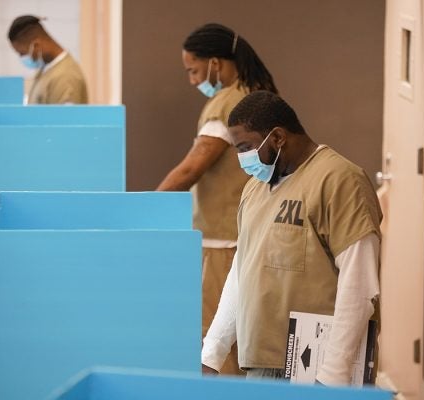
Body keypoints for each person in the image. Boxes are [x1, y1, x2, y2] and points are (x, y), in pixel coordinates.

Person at [201, 90, 382, 385]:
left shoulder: (339, 181)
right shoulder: (255, 189)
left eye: (245, 147)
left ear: (278, 138)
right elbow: (241, 274)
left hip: (319, 367)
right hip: (262, 365)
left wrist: (333, 376)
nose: (241, 159)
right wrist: (212, 353)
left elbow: (359, 285)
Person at [156, 24, 277, 376]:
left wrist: (145, 209)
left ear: (215, 63)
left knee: (217, 341)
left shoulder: (225, 103)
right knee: (240, 337)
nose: (193, 81)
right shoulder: (256, 92)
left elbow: (191, 168)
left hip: (222, 242)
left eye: (194, 70)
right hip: (245, 233)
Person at [8, 15, 88, 104]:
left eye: (22, 53)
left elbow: (66, 117)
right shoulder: (46, 68)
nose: (22, 58)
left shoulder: (66, 76)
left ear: (36, 46)